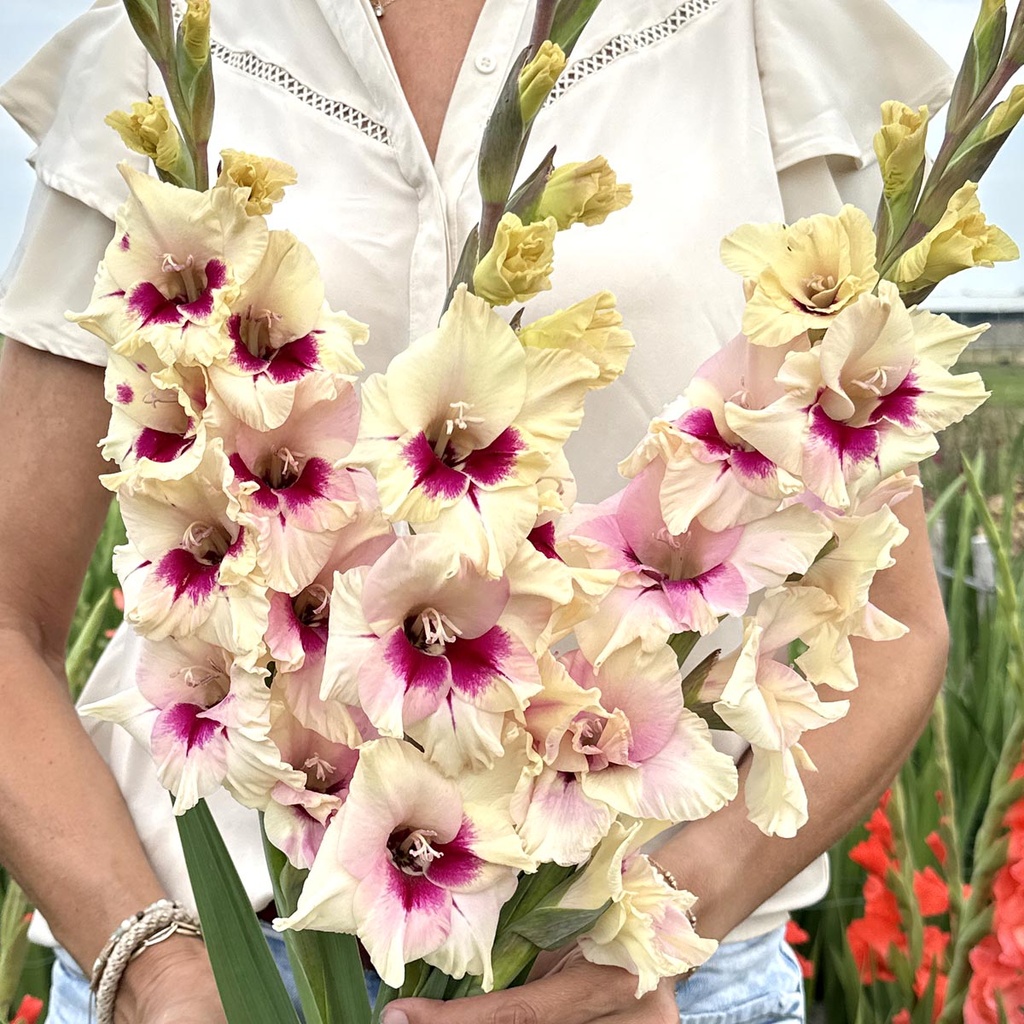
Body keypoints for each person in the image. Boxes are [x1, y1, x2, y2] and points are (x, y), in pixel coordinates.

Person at [0, 1, 954, 1021]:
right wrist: (158, 966)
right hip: (221, 978)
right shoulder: (165, 39)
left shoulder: (760, 31)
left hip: (642, 991)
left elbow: (891, 631)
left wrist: (655, 931)